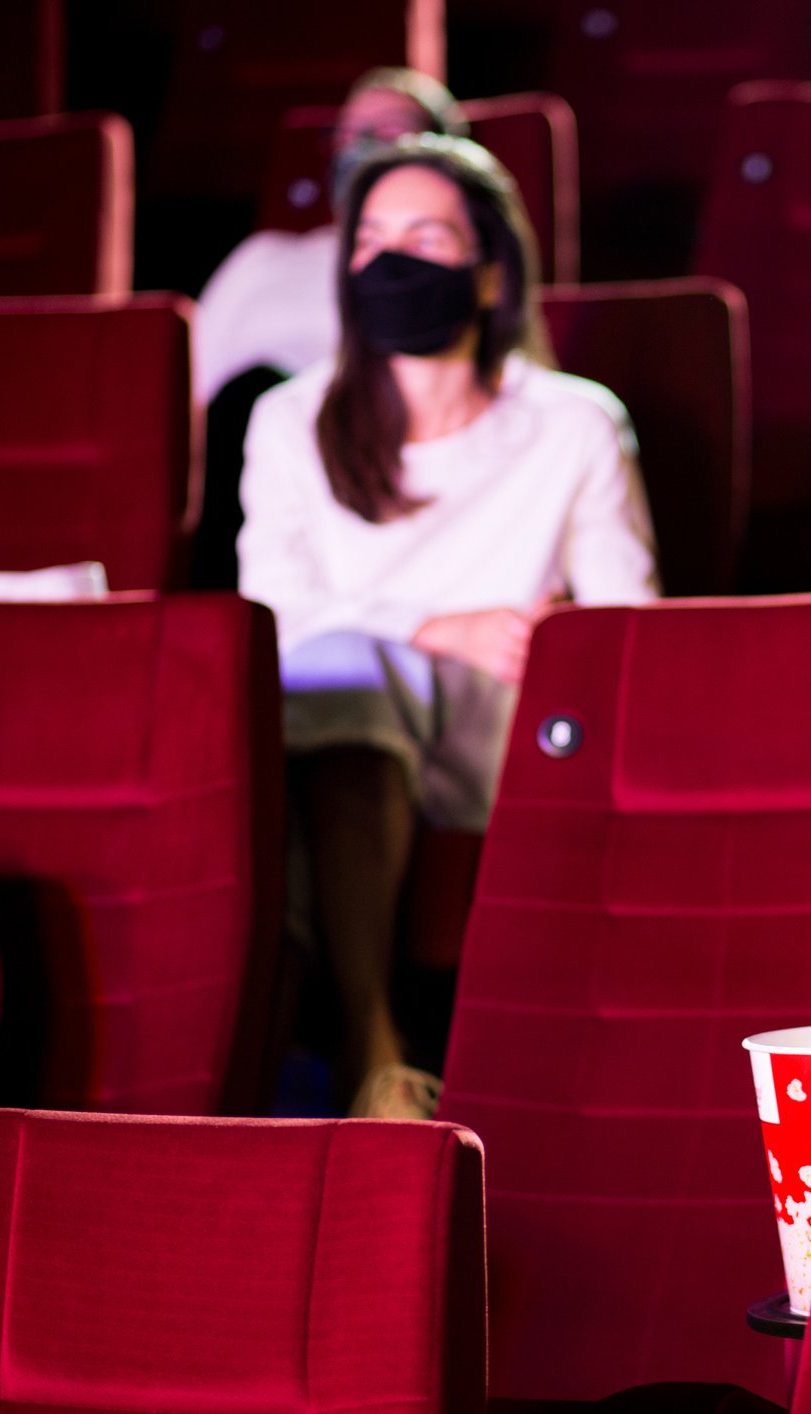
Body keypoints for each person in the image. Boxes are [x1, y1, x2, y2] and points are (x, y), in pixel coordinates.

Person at [238, 135, 658, 1122]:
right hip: (320, 740)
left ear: (487, 274)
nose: (392, 261)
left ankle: (334, 1055)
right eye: (371, 239)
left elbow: (631, 635)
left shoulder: (574, 425)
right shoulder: (288, 422)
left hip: (497, 739)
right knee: (341, 671)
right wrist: (439, 625)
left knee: (341, 677)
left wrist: (525, 645)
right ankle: (374, 1044)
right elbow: (267, 618)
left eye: (426, 237)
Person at [190, 68, 468, 588]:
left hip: (381, 447)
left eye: (387, 132)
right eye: (348, 134)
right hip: (253, 451)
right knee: (244, 404)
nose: (362, 148)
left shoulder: (448, 276)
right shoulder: (262, 259)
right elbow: (186, 402)